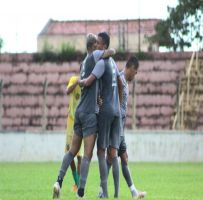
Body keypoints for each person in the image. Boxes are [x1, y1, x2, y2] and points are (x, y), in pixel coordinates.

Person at [52, 33, 115, 199]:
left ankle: (58, 181)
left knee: (72, 150)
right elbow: (111, 52)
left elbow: (92, 83)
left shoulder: (83, 63)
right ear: (94, 46)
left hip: (78, 112)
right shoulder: (95, 56)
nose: (99, 46)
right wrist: (107, 50)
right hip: (89, 114)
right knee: (87, 155)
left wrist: (96, 93)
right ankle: (80, 193)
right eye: (98, 44)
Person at [81, 32, 123, 198]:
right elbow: (120, 83)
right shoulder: (113, 62)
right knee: (113, 154)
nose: (96, 45)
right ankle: (116, 194)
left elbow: (90, 82)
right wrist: (118, 105)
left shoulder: (102, 62)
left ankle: (104, 193)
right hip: (116, 112)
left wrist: (81, 82)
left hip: (105, 112)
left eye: (98, 43)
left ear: (104, 45)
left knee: (100, 152)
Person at [99, 56, 147, 199]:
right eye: (135, 71)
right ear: (130, 68)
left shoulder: (124, 81)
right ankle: (103, 191)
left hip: (120, 126)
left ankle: (132, 192)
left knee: (122, 158)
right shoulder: (119, 80)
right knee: (112, 158)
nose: (136, 74)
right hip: (116, 125)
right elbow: (110, 99)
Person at [65, 75, 82, 192]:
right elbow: (68, 91)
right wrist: (76, 83)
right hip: (71, 122)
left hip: (82, 123)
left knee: (80, 157)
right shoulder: (74, 79)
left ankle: (78, 184)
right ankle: (77, 181)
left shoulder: (90, 82)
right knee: (69, 154)